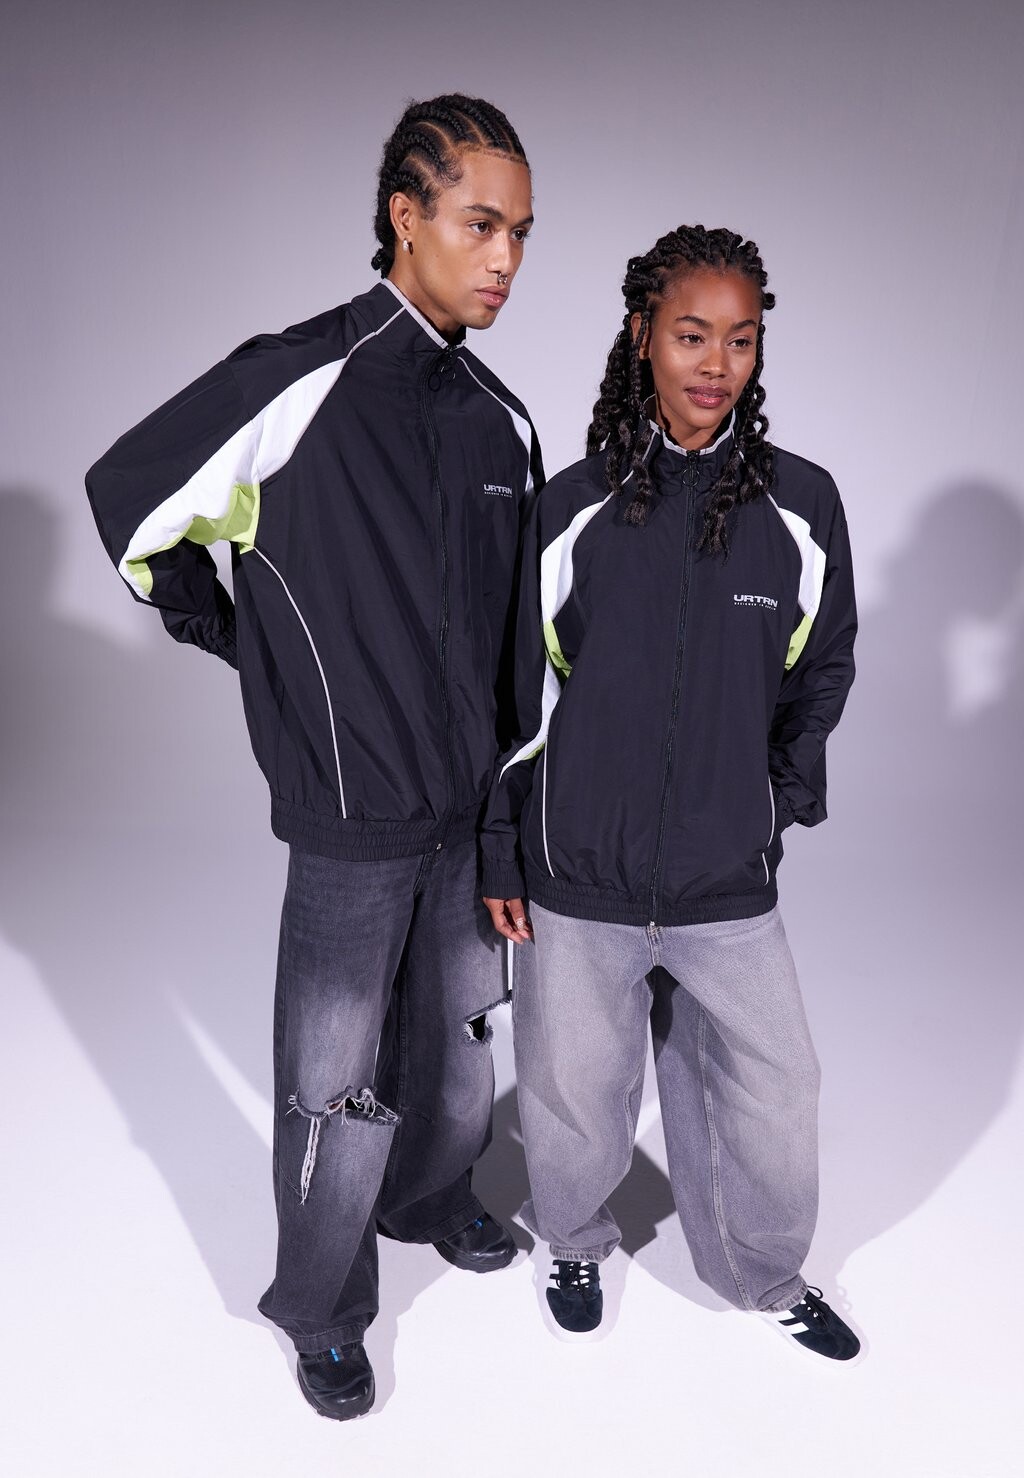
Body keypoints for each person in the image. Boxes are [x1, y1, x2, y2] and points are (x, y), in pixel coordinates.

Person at [87, 94, 542, 1420]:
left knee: (458, 1044)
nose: (505, 257)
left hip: (467, 818)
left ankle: (431, 1194)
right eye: (480, 223)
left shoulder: (503, 424)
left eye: (521, 232)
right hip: (349, 817)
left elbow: (518, 651)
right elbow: (131, 499)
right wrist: (241, 639)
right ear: (406, 215)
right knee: (332, 1082)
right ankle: (324, 1306)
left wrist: (507, 819)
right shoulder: (298, 380)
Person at [482, 225, 861, 1361]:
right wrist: (504, 845)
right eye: (692, 335)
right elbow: (517, 694)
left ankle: (761, 1269)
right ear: (643, 334)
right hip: (580, 871)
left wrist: (771, 805)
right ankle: (573, 1236)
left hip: (721, 876)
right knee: (571, 1086)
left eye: (740, 340)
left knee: (777, 1086)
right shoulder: (574, 507)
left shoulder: (801, 506)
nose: (716, 363)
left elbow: (820, 667)